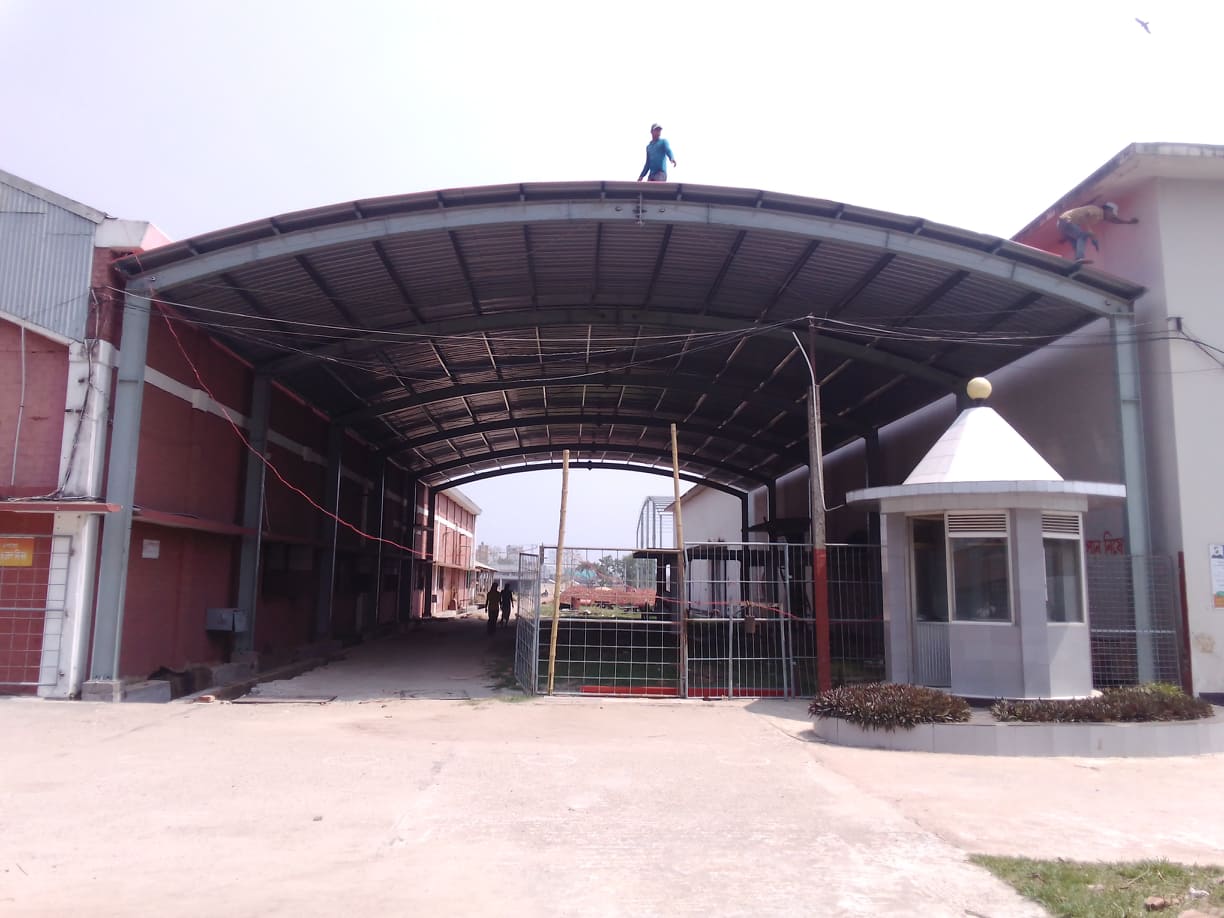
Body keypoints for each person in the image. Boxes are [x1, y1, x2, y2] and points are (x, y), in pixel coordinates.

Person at [1057, 202, 1138, 263]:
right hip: (1066, 220)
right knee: (1082, 236)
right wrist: (1090, 231)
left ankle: (1077, 260)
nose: (1111, 217)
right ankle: (1079, 258)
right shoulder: (1097, 210)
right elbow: (1085, 215)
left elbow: (1114, 220)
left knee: (1076, 244)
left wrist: (1128, 222)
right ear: (1108, 210)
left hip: (1062, 224)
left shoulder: (1099, 217)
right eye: (1112, 214)